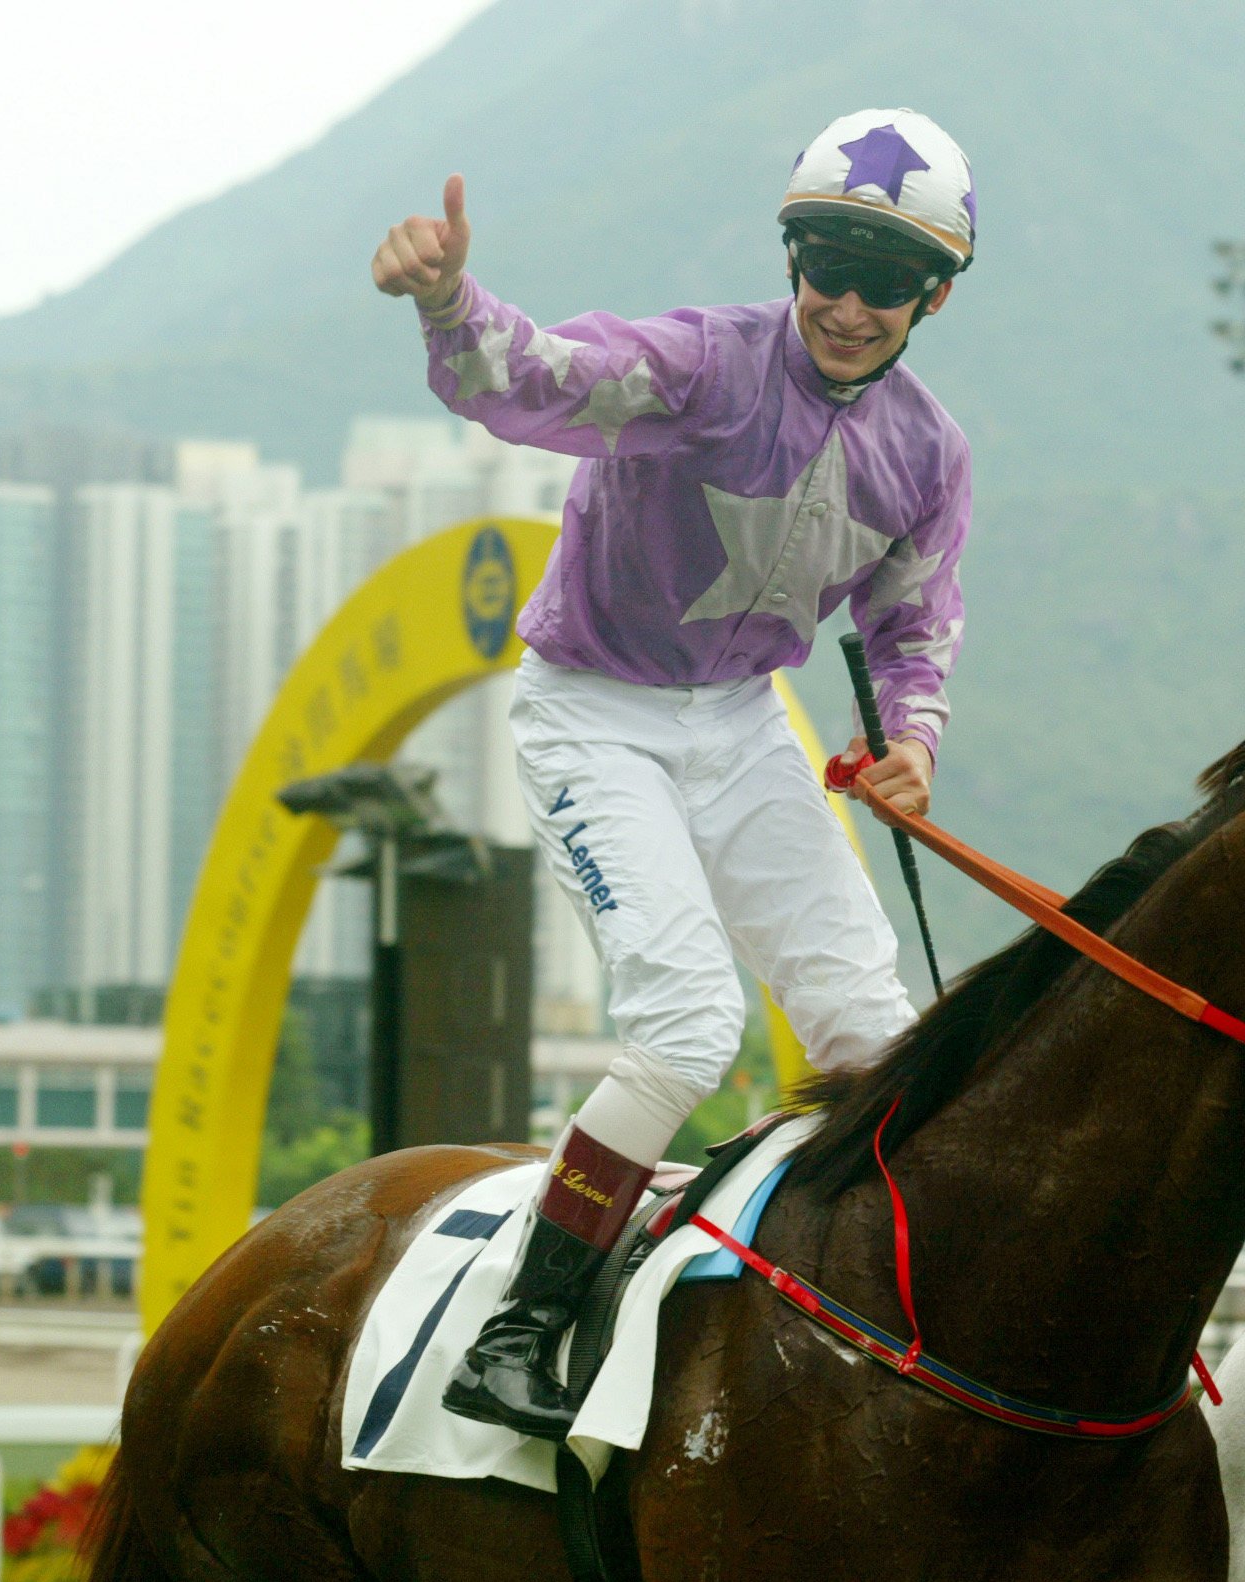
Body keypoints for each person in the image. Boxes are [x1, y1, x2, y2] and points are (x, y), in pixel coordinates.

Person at [369, 108, 977, 1438]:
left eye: (885, 279)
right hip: (593, 709)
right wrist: (449, 301)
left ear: (933, 293)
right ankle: (523, 1323)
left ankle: (867, 1320)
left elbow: (910, 621)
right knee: (689, 1022)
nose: (848, 302)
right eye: (824, 261)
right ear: (791, 256)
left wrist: (911, 745)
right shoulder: (701, 366)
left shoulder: (928, 454)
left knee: (874, 1034)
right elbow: (525, 380)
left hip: (744, 719)